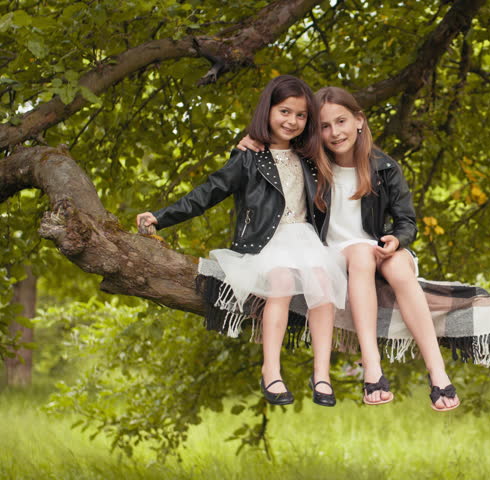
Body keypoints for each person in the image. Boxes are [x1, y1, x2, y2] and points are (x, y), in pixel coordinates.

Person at [239, 86, 460, 411]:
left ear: (359, 120)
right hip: (328, 253)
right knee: (359, 253)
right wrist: (246, 145)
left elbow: (406, 222)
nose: (334, 132)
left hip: (374, 249)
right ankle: (372, 369)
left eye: (341, 121)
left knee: (399, 266)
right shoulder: (309, 164)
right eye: (325, 126)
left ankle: (437, 372)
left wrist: (396, 240)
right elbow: (273, 154)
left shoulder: (384, 168)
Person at [137, 75, 347, 407]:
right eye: (284, 112)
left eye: (301, 115)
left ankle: (321, 373)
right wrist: (161, 217)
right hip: (265, 244)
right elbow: (209, 191)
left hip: (305, 241)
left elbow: (346, 149)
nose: (291, 121)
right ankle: (271, 370)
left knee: (323, 281)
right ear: (268, 110)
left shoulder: (310, 158)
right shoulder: (249, 157)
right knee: (281, 280)